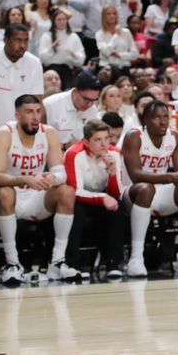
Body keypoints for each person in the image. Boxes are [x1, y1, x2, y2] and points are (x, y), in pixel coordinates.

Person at [0, 94, 80, 284]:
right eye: (29, 112)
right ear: (17, 115)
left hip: (35, 196)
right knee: (5, 192)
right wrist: (24, 179)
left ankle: (57, 262)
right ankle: (12, 264)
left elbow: (61, 173)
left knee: (66, 191)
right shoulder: (4, 133)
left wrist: (51, 177)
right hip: (9, 197)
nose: (35, 117)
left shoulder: (48, 132)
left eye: (38, 111)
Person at [121, 100, 178, 276]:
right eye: (156, 117)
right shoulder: (134, 137)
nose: (163, 121)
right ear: (145, 120)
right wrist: (170, 177)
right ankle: (136, 258)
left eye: (166, 117)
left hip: (160, 192)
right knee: (145, 189)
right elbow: (134, 175)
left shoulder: (174, 136)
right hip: (131, 193)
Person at [64, 119, 126, 278]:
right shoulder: (73, 154)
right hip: (79, 197)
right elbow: (75, 190)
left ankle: (113, 263)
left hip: (101, 196)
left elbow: (116, 193)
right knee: (75, 209)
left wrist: (112, 173)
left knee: (118, 207)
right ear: (86, 141)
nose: (104, 144)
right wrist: (102, 197)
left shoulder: (115, 153)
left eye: (107, 138)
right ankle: (72, 264)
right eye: (98, 140)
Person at [0, 24, 44, 142]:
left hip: (18, 136)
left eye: (26, 41)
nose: (23, 46)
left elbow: (37, 105)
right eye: (18, 40)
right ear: (5, 40)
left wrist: (39, 140)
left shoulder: (34, 63)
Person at [43, 72, 102, 150]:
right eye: (86, 99)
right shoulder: (50, 105)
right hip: (54, 154)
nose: (89, 105)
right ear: (75, 91)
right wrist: (65, 145)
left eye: (94, 100)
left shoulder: (92, 109)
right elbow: (39, 140)